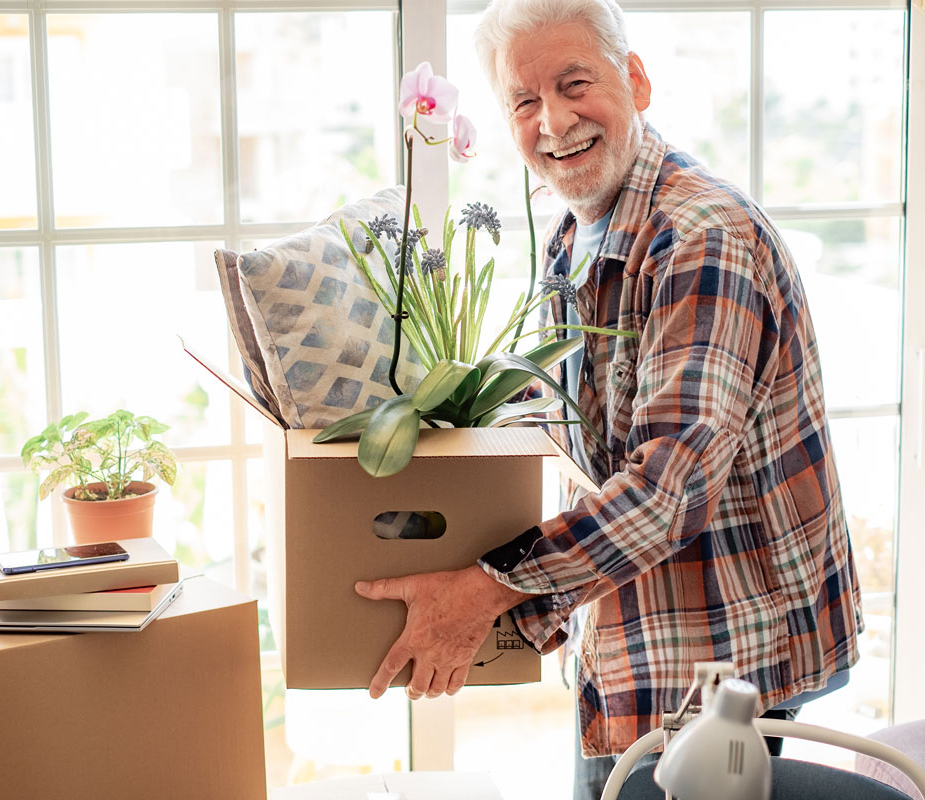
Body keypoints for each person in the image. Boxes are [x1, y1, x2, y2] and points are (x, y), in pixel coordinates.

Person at [353, 1, 864, 796]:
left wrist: (487, 590)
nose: (553, 121)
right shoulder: (572, 235)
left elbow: (668, 489)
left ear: (636, 81)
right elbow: (573, 423)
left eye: (574, 83)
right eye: (525, 102)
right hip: (628, 637)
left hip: (723, 658)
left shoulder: (701, 239)